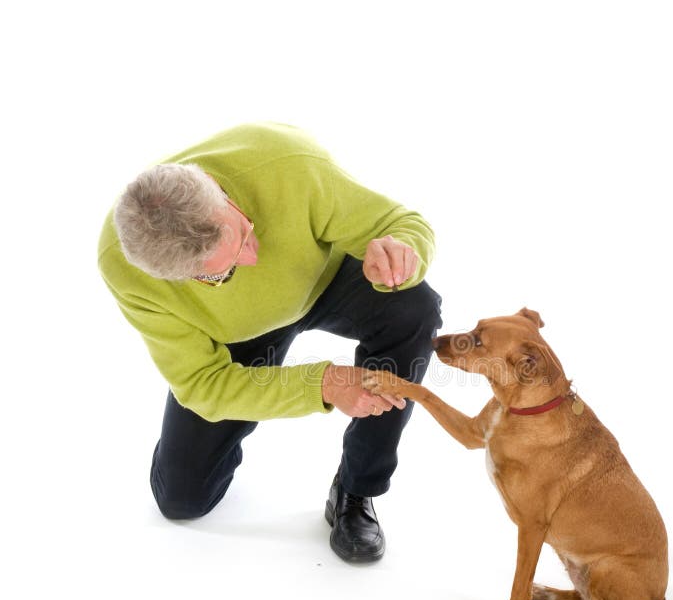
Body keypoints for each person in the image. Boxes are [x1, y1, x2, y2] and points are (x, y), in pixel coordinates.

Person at [98, 122, 442, 563]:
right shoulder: (126, 271)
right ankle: (227, 418)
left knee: (414, 308)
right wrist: (320, 384)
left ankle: (356, 490)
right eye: (225, 271)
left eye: (243, 230)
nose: (254, 256)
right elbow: (203, 384)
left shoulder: (285, 163)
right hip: (233, 336)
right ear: (180, 279)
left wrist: (402, 251)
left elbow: (402, 222)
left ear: (220, 193)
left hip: (324, 278)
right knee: (181, 500)